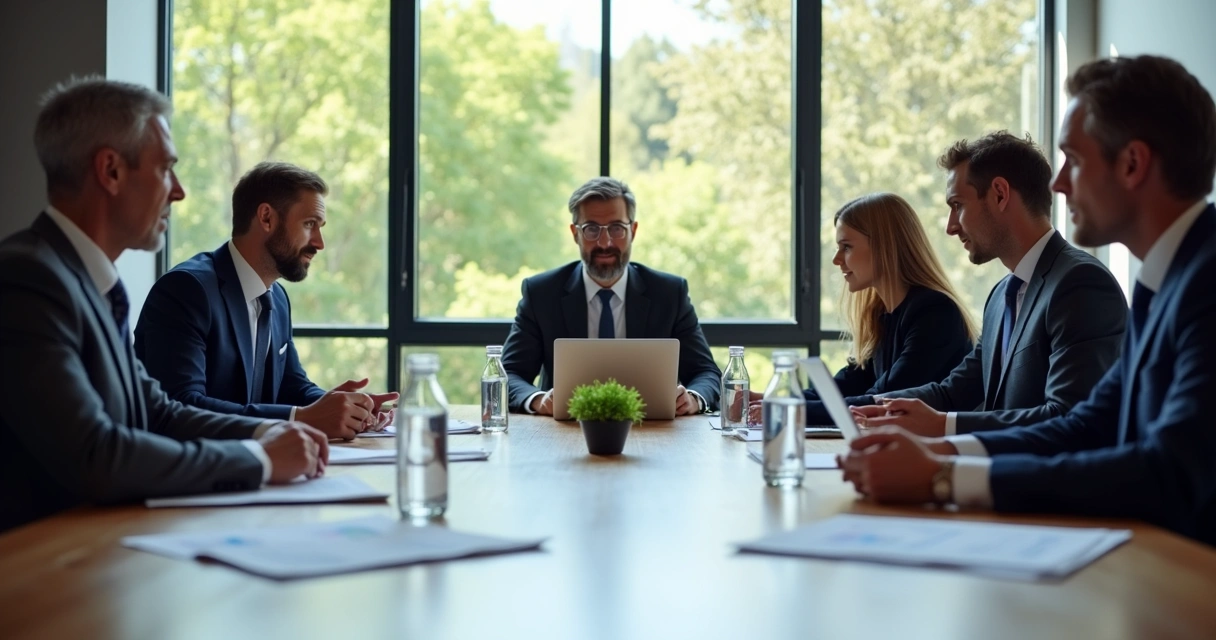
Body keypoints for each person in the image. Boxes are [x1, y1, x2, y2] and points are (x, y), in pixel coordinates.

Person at [840, 55, 1216, 547]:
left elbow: (1169, 471)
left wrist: (944, 476)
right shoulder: (1162, 282)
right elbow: (1087, 425)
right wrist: (943, 457)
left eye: (1074, 161)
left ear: (1132, 164)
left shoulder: (1202, 283)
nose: (1058, 183)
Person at [0, 78, 328, 532]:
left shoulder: (88, 283)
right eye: (165, 169)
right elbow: (97, 454)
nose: (178, 191)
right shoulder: (28, 279)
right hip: (41, 567)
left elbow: (158, 411)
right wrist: (258, 459)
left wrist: (268, 432)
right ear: (111, 171)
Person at [846, 131, 1126, 436]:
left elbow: (1068, 417)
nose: (951, 227)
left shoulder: (1080, 284)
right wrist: (874, 407)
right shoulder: (1000, 297)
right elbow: (953, 392)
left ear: (1000, 194)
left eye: (958, 205)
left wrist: (943, 426)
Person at [134, 162, 396, 440]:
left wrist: (349, 410)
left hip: (254, 467)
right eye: (309, 224)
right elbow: (182, 405)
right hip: (188, 474)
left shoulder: (277, 298)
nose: (320, 243)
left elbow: (293, 387)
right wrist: (301, 418)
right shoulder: (187, 290)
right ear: (267, 218)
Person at [747, 193, 975, 425]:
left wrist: (789, 409)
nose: (837, 259)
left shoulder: (935, 313)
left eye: (846, 247)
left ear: (885, 247)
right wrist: (776, 399)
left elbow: (882, 399)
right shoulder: (881, 315)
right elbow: (844, 386)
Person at [501, 176, 721, 416]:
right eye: (591, 229)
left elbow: (706, 373)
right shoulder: (542, 294)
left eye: (616, 228)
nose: (604, 242)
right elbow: (509, 374)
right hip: (564, 432)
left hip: (653, 431)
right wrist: (538, 400)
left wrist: (694, 399)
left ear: (633, 231)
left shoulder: (669, 293)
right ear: (575, 234)